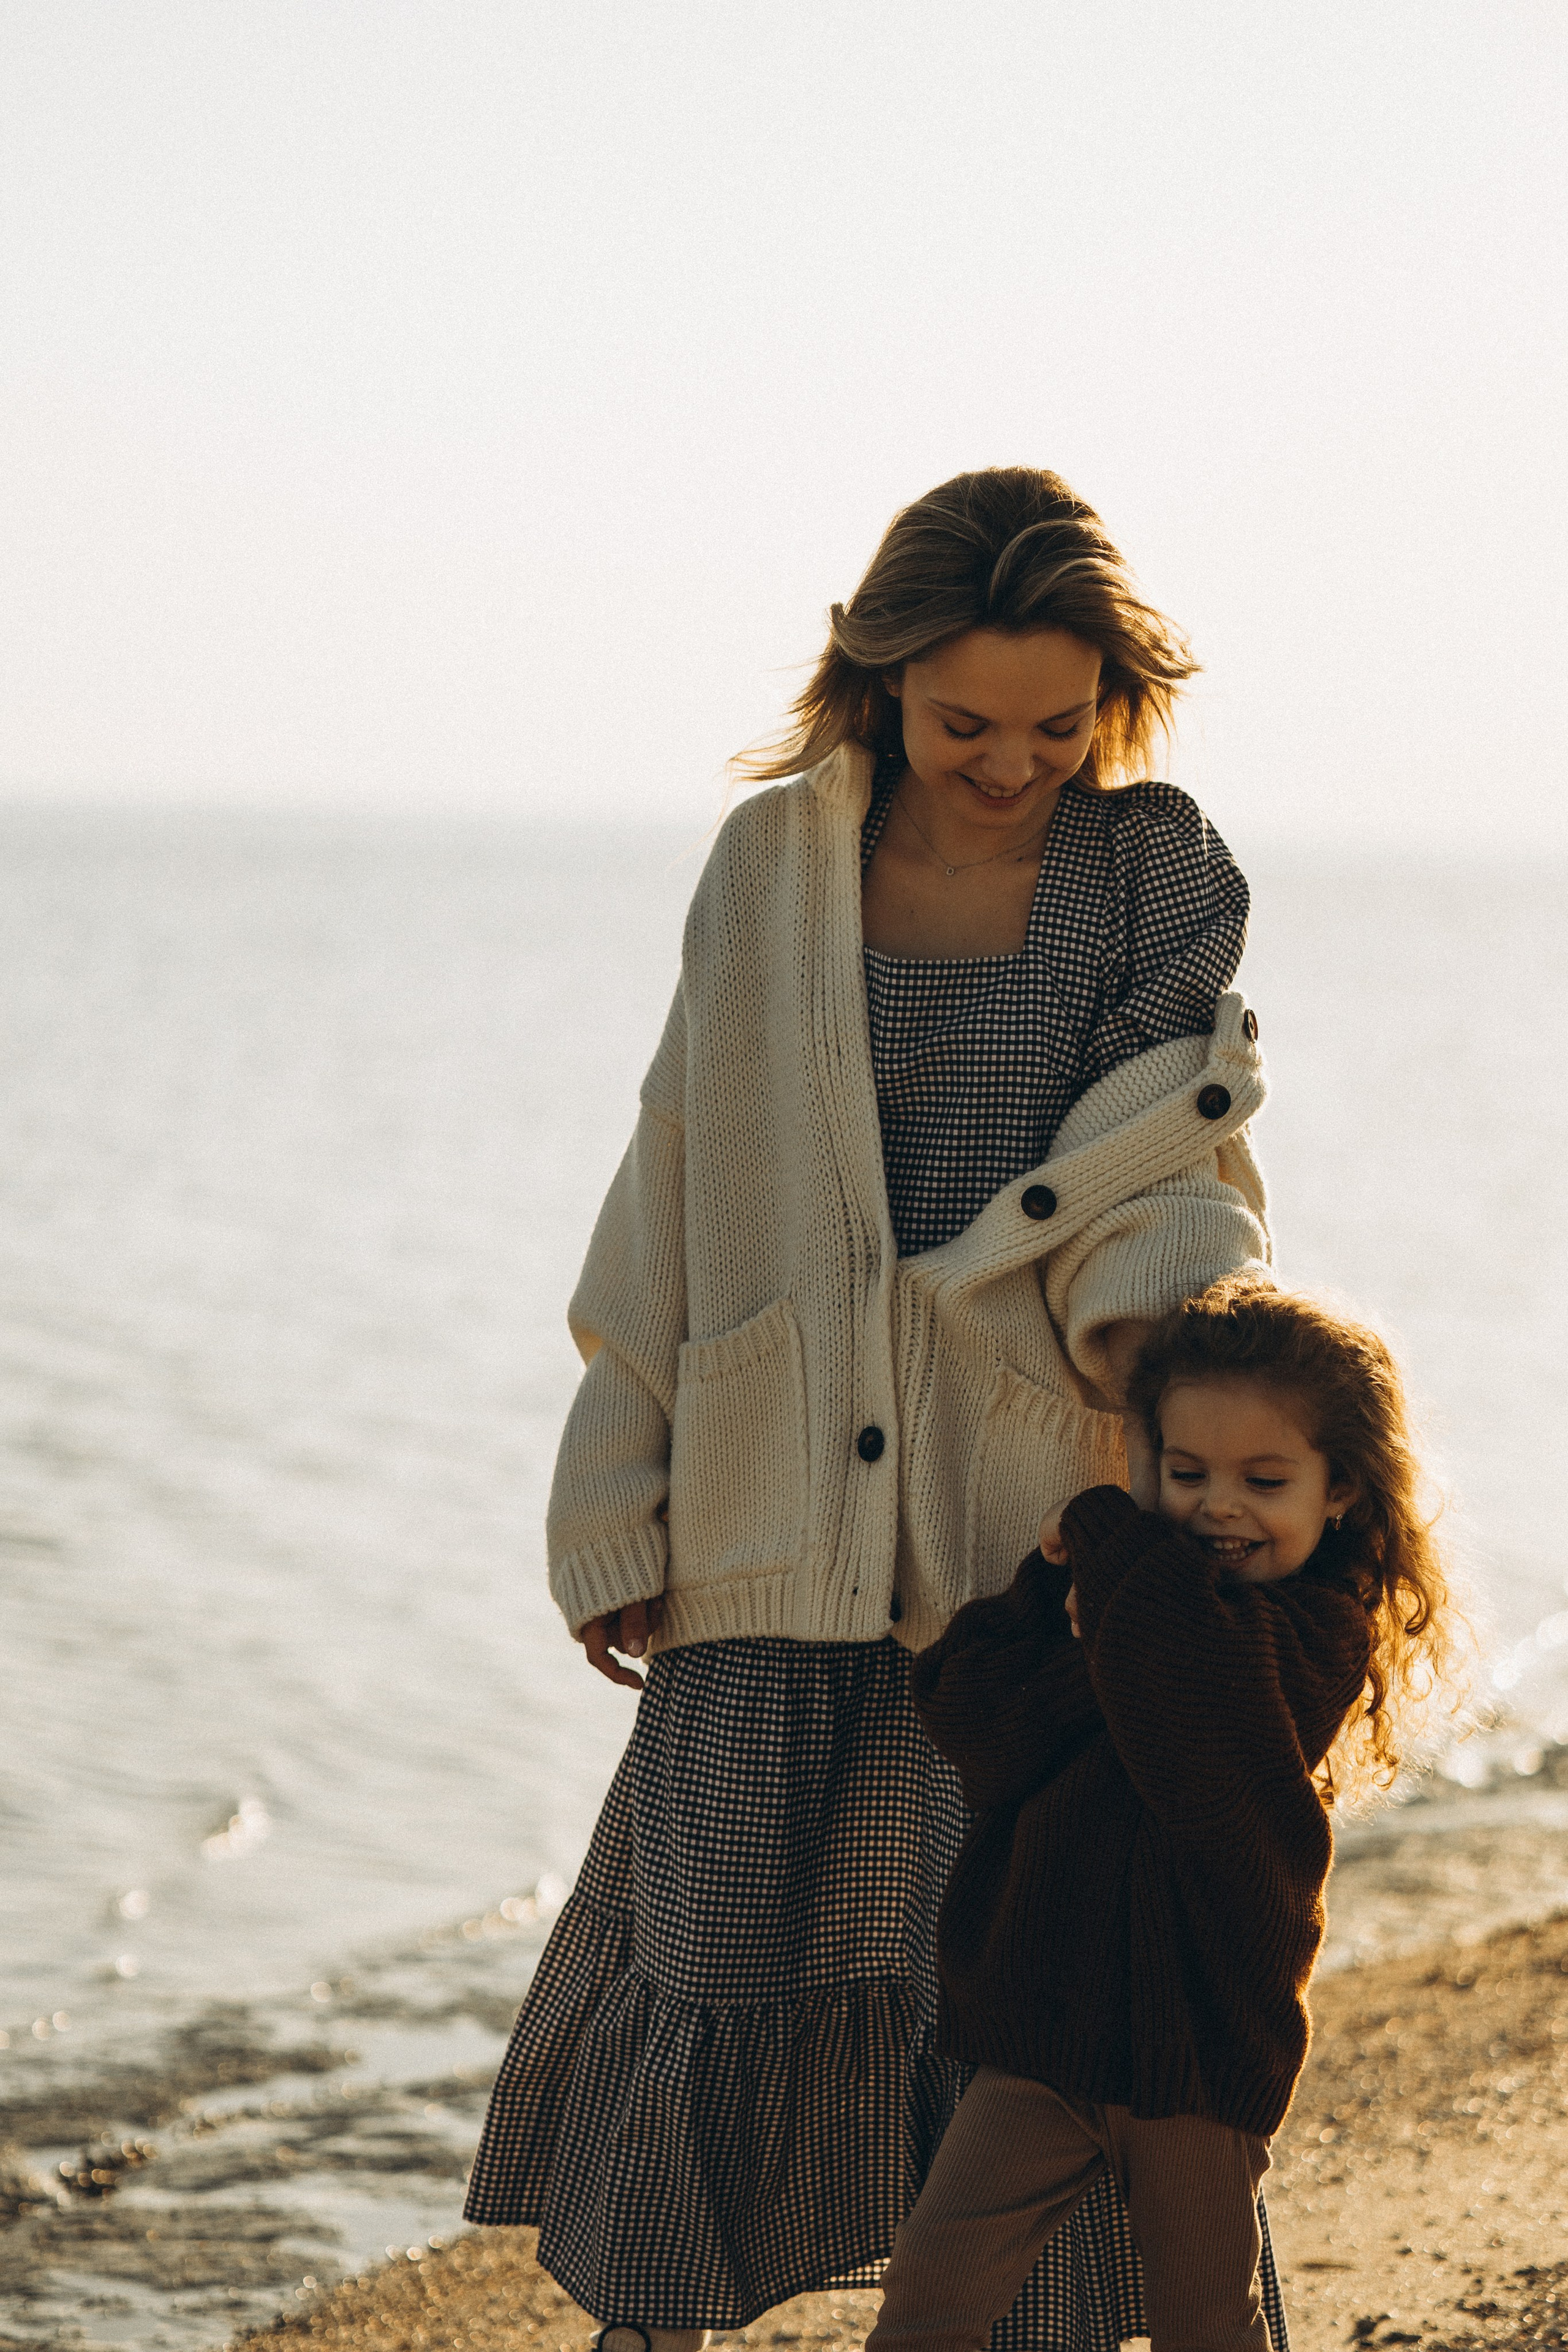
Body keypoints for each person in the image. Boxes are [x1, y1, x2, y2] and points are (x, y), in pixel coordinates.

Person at [465, 468, 1282, 2352]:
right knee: (713, 1936)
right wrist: (616, 1494)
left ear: (1116, 701)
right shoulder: (773, 864)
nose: (1012, 764)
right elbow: (675, 1173)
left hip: (1027, 1529)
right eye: (966, 720)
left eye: (1059, 725)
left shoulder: (1154, 869)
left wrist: (1185, 1371)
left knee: (1018, 1984)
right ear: (881, 674)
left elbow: (1169, 1173)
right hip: (768, 1507)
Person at [871, 1277, 1460, 2352]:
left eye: (1264, 1479)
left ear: (1339, 1493)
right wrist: (1048, 1596)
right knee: (930, 2298)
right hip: (1041, 2033)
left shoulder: (1313, 1632)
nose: (1219, 1506)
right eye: (1185, 1475)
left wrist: (1105, 1532)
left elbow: (1195, 1703)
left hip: (1199, 2052)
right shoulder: (1115, 1597)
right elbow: (968, 1708)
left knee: (1204, 2328)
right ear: (1148, 1464)